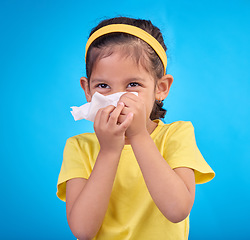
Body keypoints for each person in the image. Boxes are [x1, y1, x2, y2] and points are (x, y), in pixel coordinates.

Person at [57, 16, 215, 240]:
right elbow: (82, 231)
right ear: (88, 90)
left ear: (160, 88)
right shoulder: (79, 148)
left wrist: (139, 136)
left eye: (133, 85)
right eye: (103, 86)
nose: (117, 98)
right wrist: (109, 151)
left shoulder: (176, 135)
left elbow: (178, 210)